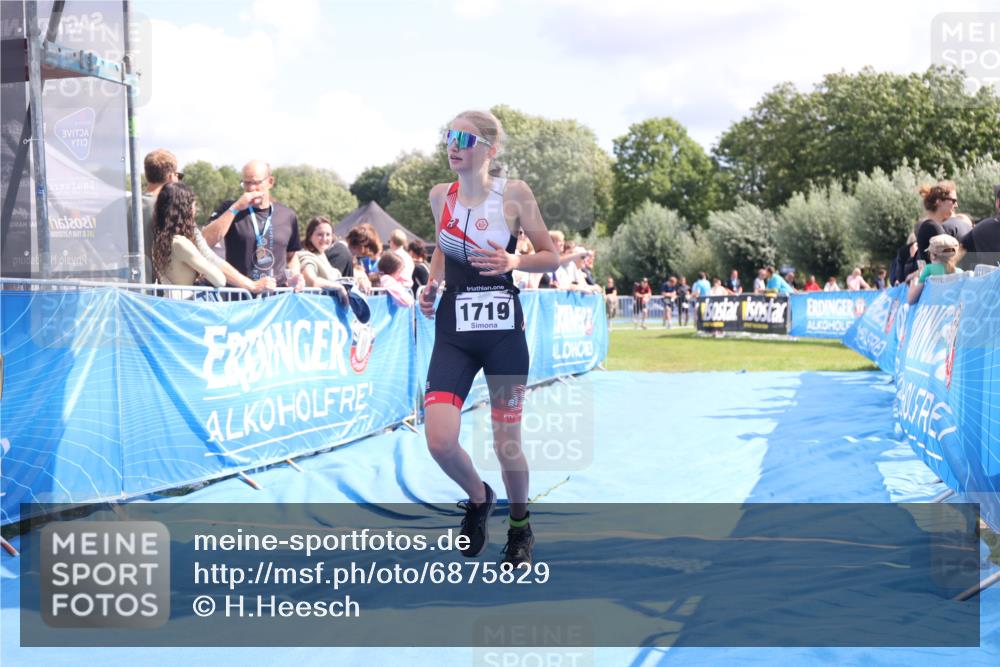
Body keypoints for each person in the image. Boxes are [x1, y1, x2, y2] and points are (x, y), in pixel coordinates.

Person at [418, 110, 559, 568]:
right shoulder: (441, 196)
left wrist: (515, 264)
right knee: (439, 440)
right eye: (447, 136)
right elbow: (443, 245)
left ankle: (520, 525)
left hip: (502, 333)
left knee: (507, 443)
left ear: (490, 150)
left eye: (463, 137)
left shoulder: (514, 194)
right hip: (454, 332)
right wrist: (432, 284)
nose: (452, 145)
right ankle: (479, 498)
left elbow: (551, 257)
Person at [139, 149, 274, 294]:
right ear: (172, 177)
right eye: (180, 176)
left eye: (255, 182)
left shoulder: (127, 207)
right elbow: (214, 268)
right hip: (180, 306)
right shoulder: (178, 241)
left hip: (133, 296)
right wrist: (251, 286)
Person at [202, 159, 302, 288]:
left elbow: (291, 256)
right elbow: (203, 242)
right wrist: (236, 207)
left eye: (255, 183)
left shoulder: (287, 215)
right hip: (240, 298)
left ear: (270, 182)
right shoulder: (230, 208)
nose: (250, 189)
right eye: (246, 183)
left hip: (277, 299)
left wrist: (294, 277)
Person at [151, 183, 225, 290]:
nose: (195, 209)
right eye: (193, 205)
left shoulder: (159, 240)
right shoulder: (180, 243)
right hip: (187, 303)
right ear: (184, 209)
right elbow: (220, 280)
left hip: (172, 302)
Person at [296, 216, 348, 304]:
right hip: (314, 311)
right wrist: (339, 287)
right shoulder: (306, 256)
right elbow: (313, 281)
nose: (324, 239)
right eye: (320, 235)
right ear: (310, 237)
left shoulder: (322, 256)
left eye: (328, 235)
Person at [913, 181, 958, 269]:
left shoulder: (928, 226)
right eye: (953, 201)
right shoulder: (932, 227)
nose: (956, 205)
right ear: (939, 202)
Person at [908, 234, 963, 304]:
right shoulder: (960, 272)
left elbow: (911, 299)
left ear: (933, 256)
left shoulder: (929, 270)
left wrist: (914, 281)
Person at [960, 184, 1000, 266]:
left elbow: (960, 249)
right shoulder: (983, 227)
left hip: (990, 277)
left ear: (998, 203)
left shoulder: (982, 228)